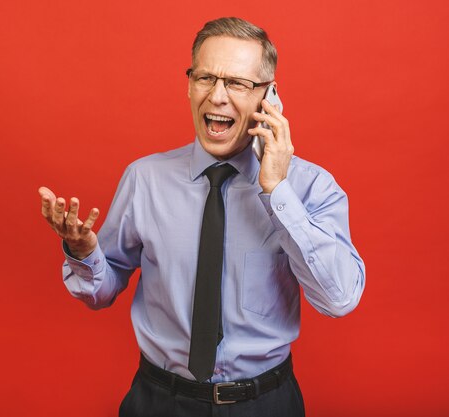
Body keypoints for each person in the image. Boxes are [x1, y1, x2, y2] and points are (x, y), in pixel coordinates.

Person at [38, 17, 365, 417]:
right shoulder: (146, 178)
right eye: (205, 78)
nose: (218, 96)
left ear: (270, 96)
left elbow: (340, 299)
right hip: (159, 401)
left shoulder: (310, 186)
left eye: (238, 83)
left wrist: (277, 191)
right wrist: (83, 251)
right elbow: (100, 292)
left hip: (266, 404)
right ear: (188, 85)